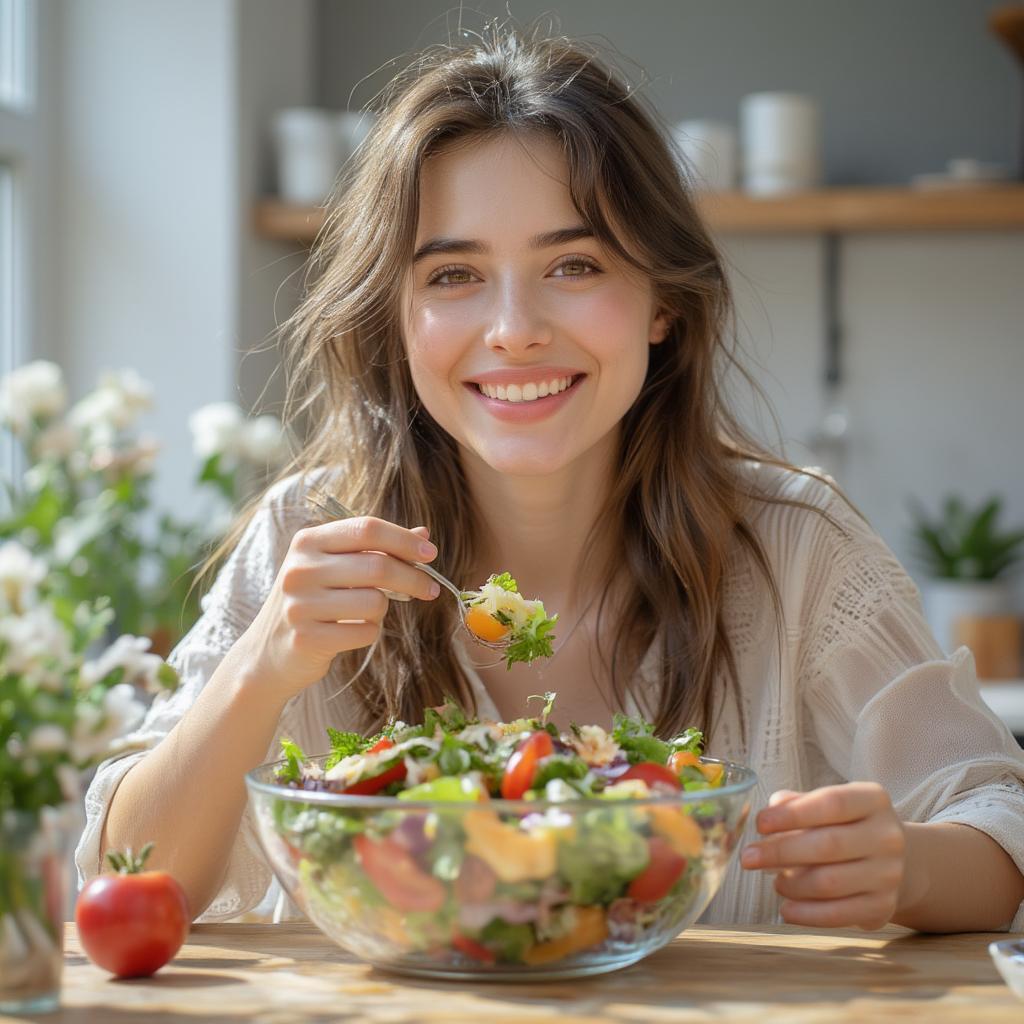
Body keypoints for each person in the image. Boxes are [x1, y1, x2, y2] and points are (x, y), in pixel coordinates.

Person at [77, 26, 1024, 932]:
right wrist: (261, 669)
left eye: (574, 264)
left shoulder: (795, 548)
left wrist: (909, 863)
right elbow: (129, 878)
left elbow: (999, 822)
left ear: (662, 303)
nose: (514, 329)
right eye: (453, 276)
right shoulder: (307, 531)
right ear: (394, 320)